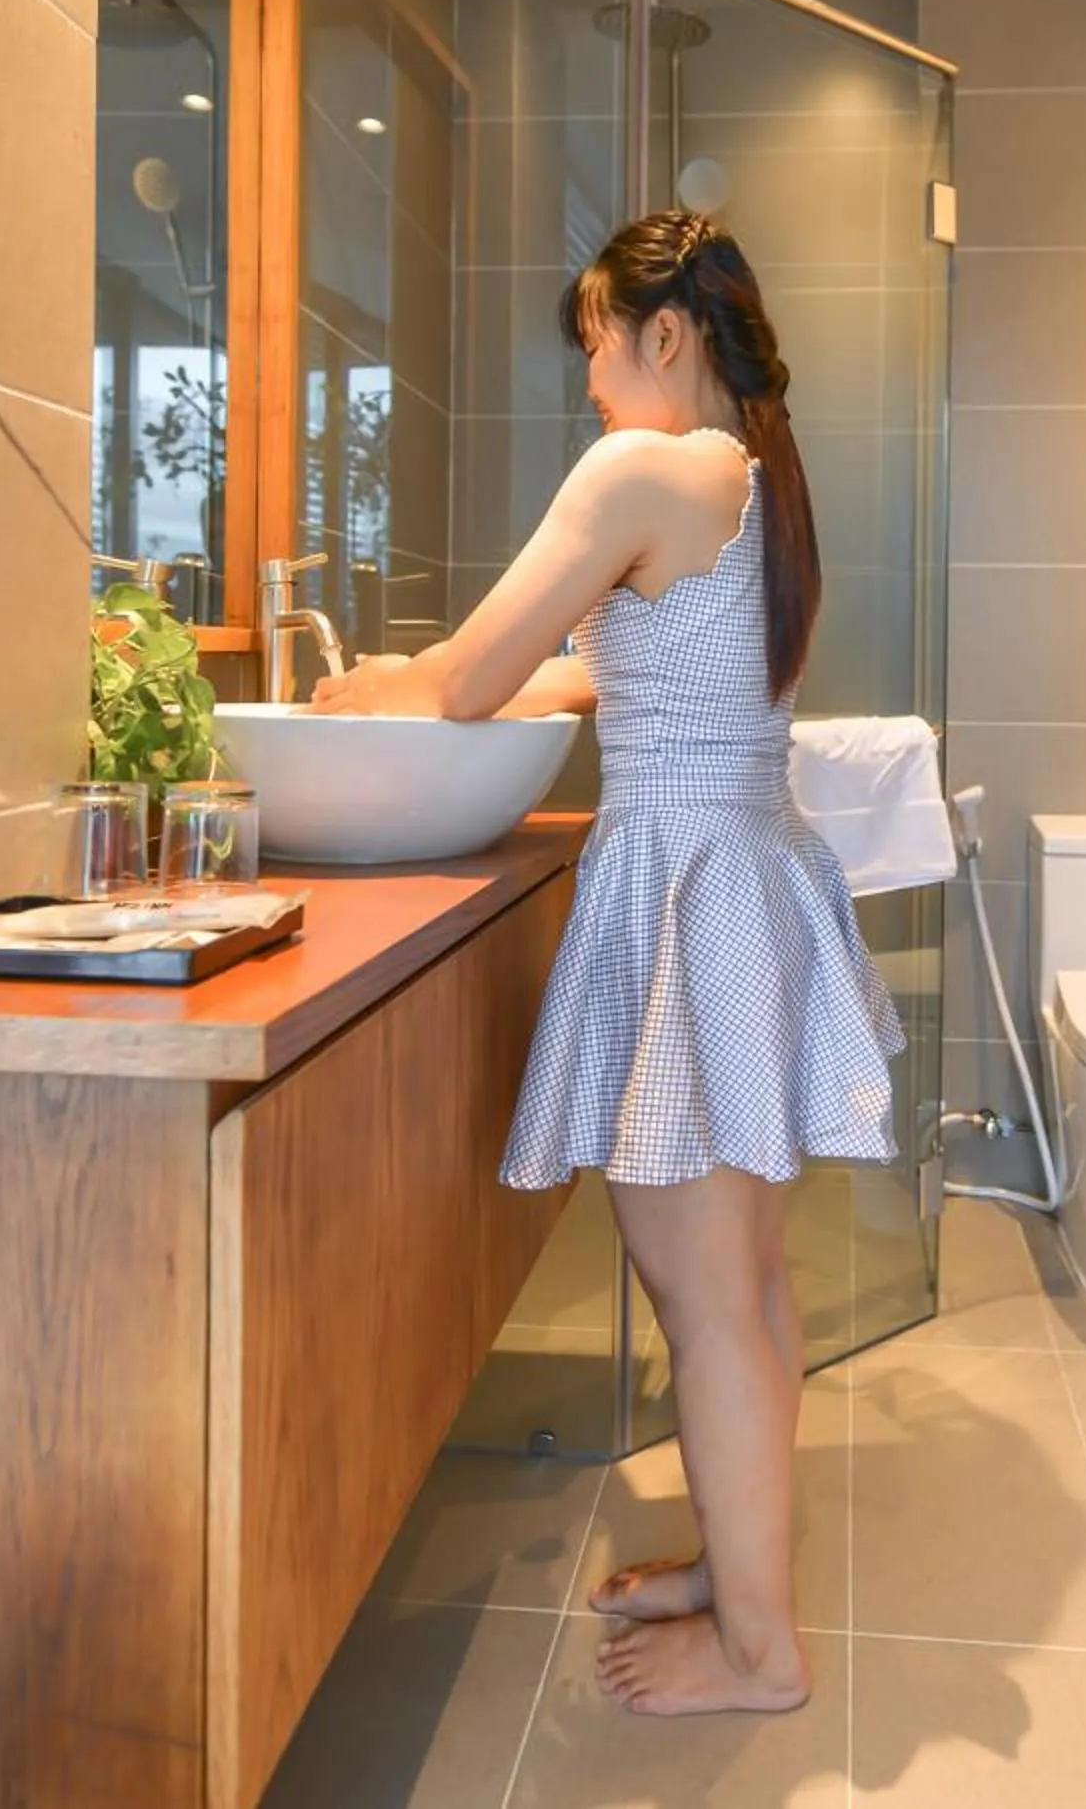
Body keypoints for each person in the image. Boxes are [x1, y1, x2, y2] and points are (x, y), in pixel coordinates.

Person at [310, 208, 904, 1719]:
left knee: (707, 1304)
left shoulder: (642, 467)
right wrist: (420, 682)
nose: (587, 385)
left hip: (693, 893)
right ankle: (741, 1569)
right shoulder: (753, 480)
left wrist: (380, 685)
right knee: (749, 1290)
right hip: (749, 883)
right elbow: (612, 660)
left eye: (594, 347)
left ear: (664, 335)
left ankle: (763, 1655)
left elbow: (477, 682)